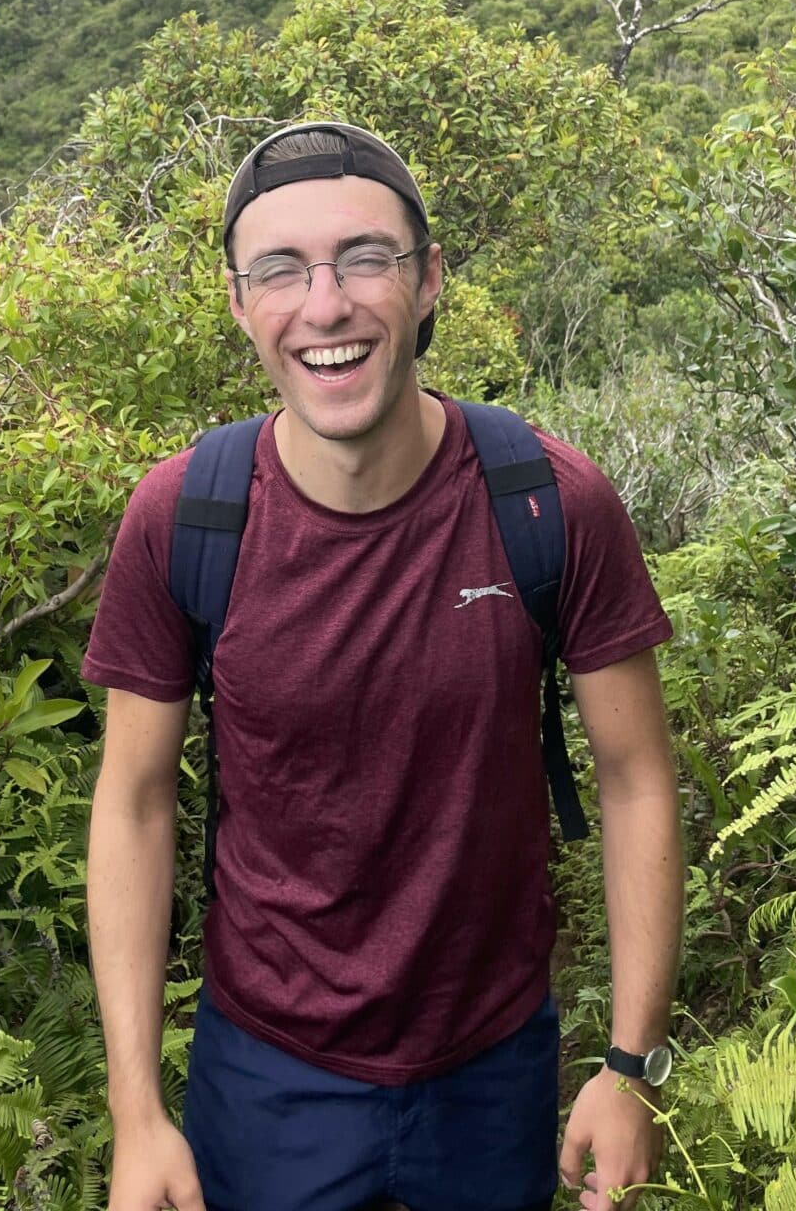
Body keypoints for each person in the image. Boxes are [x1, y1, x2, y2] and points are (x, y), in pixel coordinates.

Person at [82, 122, 682, 1211]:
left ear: (428, 280)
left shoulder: (549, 504)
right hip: (265, 1068)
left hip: (493, 1061)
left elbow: (636, 776)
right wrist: (137, 1114)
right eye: (280, 270)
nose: (326, 305)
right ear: (238, 304)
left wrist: (630, 1065)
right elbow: (132, 804)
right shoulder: (186, 518)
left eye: (365, 258)